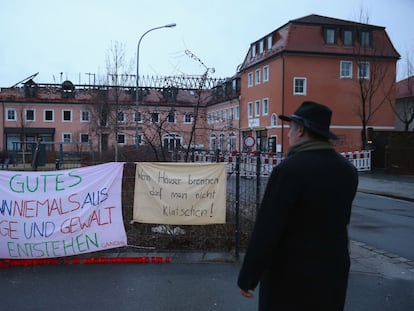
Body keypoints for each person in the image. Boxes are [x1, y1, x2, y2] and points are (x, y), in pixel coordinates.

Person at [238, 101, 358, 310]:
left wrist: (249, 276)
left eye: (291, 129)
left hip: (291, 275)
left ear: (301, 131)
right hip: (333, 272)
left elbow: (268, 228)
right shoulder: (347, 170)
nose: (288, 134)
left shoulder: (289, 170)